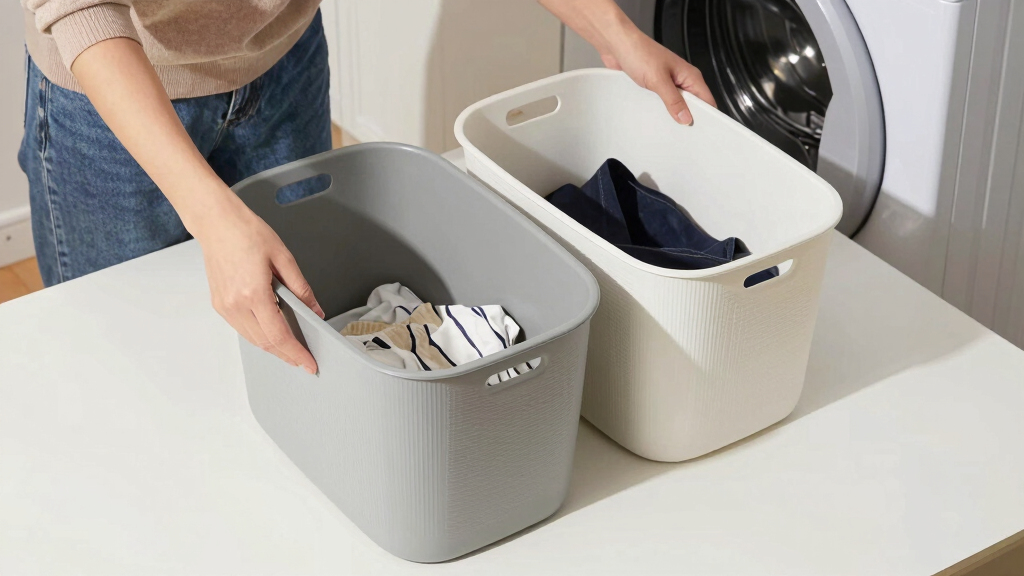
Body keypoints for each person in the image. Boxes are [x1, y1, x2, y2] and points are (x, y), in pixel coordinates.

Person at [20, 0, 716, 375]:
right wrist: (213, 216)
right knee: (120, 348)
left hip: (284, 54)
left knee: (290, 332)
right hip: (111, 89)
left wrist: (614, 31)